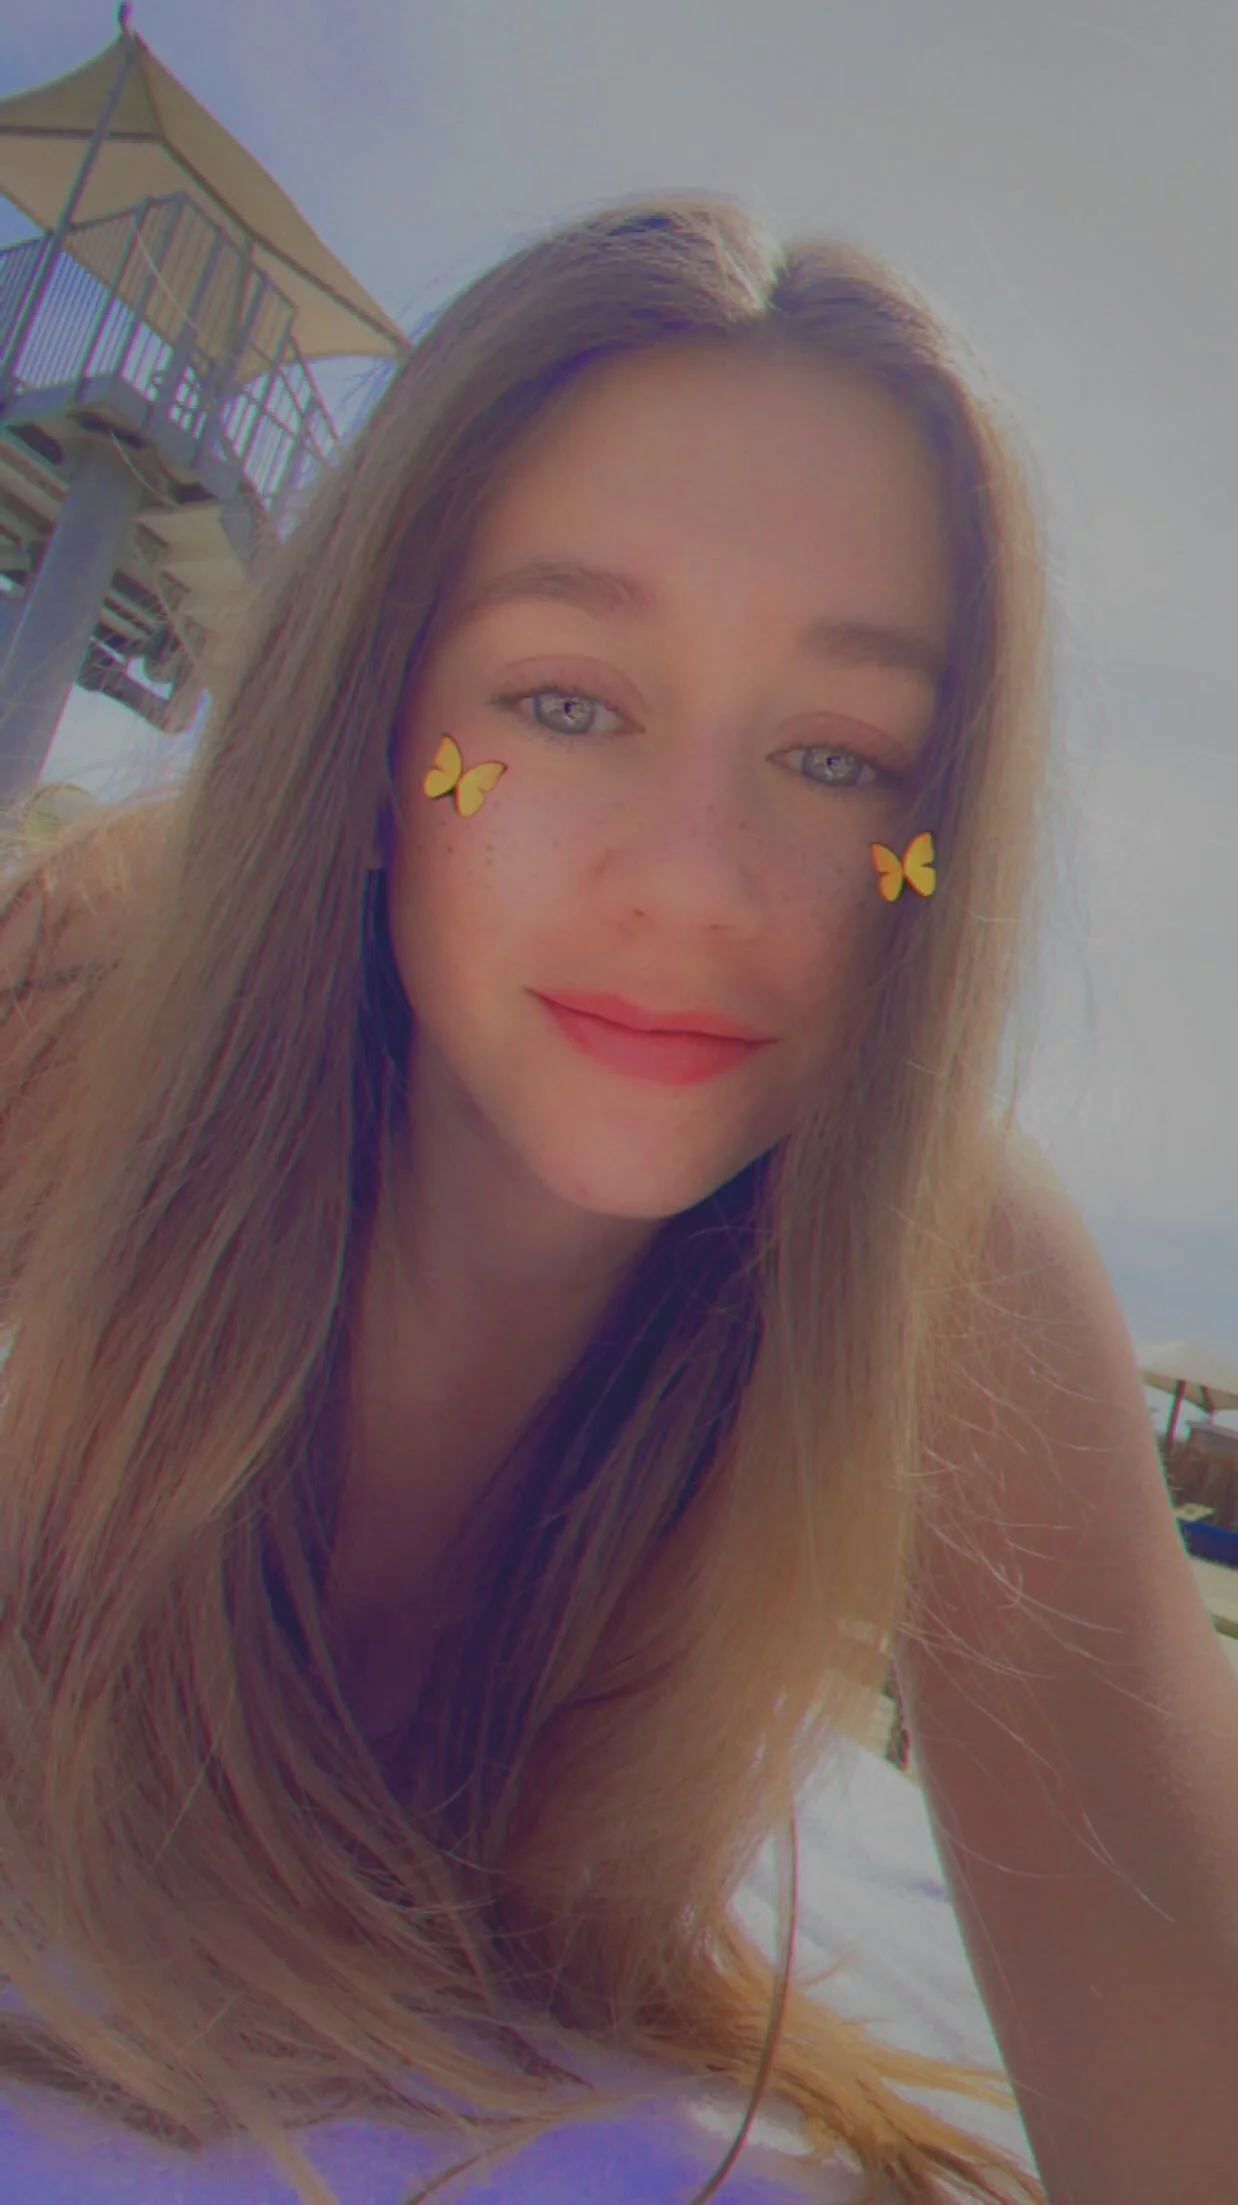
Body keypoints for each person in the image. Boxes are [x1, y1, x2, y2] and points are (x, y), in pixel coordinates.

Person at [0, 195, 1057, 2204]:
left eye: (841, 759)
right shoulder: (89, 982)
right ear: (369, 734)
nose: (697, 881)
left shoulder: (953, 1259)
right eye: (565, 702)